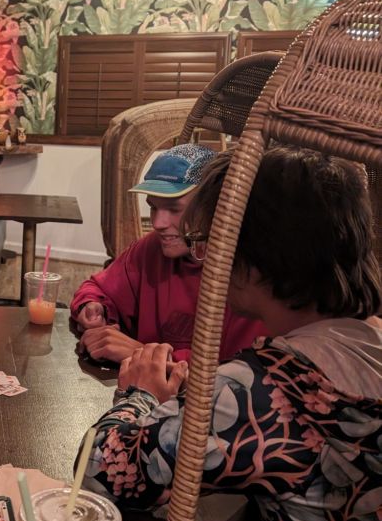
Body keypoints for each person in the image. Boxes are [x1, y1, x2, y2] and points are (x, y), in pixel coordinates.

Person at [83, 146, 382, 521]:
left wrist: (139, 394)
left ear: (255, 257)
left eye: (216, 238)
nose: (206, 252)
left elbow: (105, 469)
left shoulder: (270, 389)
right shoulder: (367, 340)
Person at [71, 143, 262, 364]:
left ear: (214, 207)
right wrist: (93, 308)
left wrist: (142, 353)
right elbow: (97, 288)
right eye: (153, 207)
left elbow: (240, 370)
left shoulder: (245, 274)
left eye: (174, 209)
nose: (158, 223)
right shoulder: (151, 248)